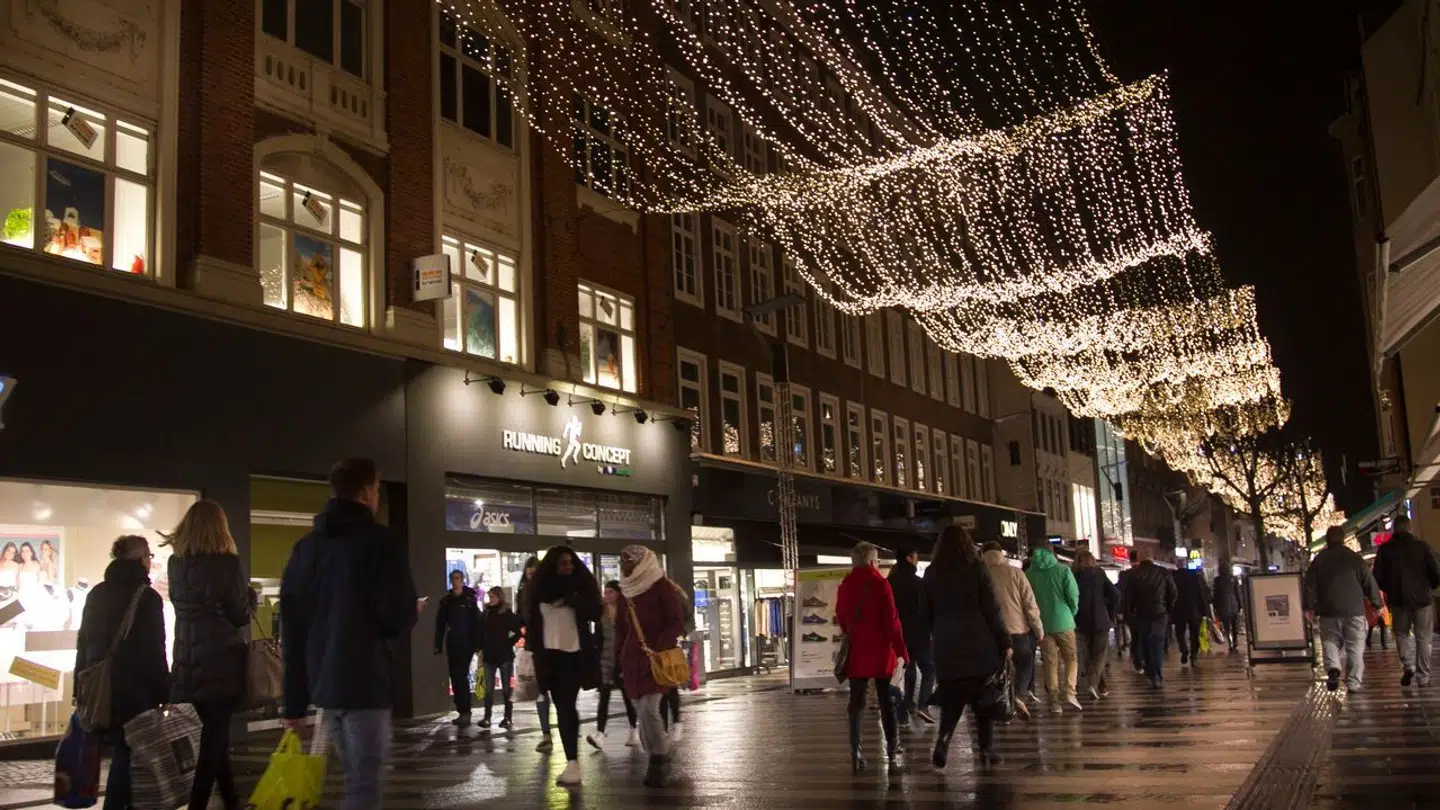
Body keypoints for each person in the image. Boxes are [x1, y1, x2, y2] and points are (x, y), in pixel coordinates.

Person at [281, 458, 418, 810]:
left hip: (326, 688)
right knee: (363, 786)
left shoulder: (305, 549)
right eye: (375, 489)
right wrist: (409, 612)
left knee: (355, 781)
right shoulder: (380, 543)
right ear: (366, 491)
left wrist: (294, 701)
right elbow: (392, 616)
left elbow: (292, 629)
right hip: (366, 682)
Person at [165, 500, 252, 810]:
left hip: (187, 663)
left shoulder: (175, 563)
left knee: (217, 738)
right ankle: (198, 805)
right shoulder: (226, 564)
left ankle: (232, 801)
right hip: (221, 663)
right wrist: (250, 599)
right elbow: (239, 616)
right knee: (213, 742)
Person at [75, 536, 168, 810]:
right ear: (141, 560)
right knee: (129, 755)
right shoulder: (147, 598)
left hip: (100, 688)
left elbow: (83, 643)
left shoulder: (97, 593)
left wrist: (79, 687)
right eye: (149, 556)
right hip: (134, 690)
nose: (150, 561)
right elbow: (155, 649)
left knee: (122, 751)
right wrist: (163, 691)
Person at [923, 528, 1011, 770]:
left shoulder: (932, 573)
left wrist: (938, 634)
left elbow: (926, 612)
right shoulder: (977, 569)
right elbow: (991, 609)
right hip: (979, 642)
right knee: (984, 698)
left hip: (946, 645)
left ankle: (942, 742)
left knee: (952, 698)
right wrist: (1004, 641)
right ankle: (987, 749)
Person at [525, 546, 602, 787]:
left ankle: (572, 763)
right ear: (552, 566)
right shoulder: (537, 591)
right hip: (548, 657)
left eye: (570, 563)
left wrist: (571, 600)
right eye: (562, 563)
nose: (568, 567)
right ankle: (571, 762)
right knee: (561, 707)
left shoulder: (581, 588)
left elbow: (595, 612)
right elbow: (528, 621)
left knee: (567, 707)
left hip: (574, 656)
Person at [615, 546, 688, 787]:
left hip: (656, 657)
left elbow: (675, 621)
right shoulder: (626, 590)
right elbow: (621, 628)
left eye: (630, 562)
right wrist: (618, 656)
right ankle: (656, 752)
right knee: (639, 708)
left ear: (642, 563)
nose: (626, 566)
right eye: (623, 562)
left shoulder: (661, 587)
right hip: (632, 659)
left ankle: (658, 757)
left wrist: (659, 647)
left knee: (649, 708)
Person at [835, 541, 908, 773]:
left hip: (857, 651)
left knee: (856, 703)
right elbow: (892, 621)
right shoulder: (880, 584)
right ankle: (892, 747)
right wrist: (901, 650)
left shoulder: (845, 585)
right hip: (880, 651)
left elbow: (841, 617)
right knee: (886, 701)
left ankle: (856, 751)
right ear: (873, 561)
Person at [1305, 526, 1383, 692]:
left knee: (1329, 641)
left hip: (1328, 610)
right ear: (1343, 539)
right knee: (1355, 647)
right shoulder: (1355, 559)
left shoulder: (1319, 560)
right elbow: (1369, 581)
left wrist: (1308, 607)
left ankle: (1333, 667)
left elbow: (1309, 585)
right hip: (1354, 610)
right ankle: (1353, 683)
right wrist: (1377, 604)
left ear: (1326, 540)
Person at [1373, 515, 1440, 687]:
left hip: (1398, 599)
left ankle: (1408, 665)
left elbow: (1377, 577)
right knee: (1423, 637)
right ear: (1410, 528)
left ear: (1394, 529)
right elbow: (1435, 571)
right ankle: (1423, 676)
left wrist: (1389, 589)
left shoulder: (1385, 550)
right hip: (1422, 599)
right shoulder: (1422, 547)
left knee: (1402, 634)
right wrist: (1429, 587)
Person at [980, 540, 1043, 716]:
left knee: (996, 672)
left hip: (991, 634)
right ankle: (1019, 694)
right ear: (1002, 553)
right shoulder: (1016, 573)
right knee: (1025, 661)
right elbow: (1029, 603)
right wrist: (1038, 629)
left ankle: (999, 704)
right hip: (1018, 631)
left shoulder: (981, 575)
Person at [1025, 546, 1081, 712]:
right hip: (1064, 621)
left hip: (1042, 624)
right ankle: (1070, 692)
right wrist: (1072, 611)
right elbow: (1073, 595)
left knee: (1050, 662)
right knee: (1071, 658)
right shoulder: (1063, 570)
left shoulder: (1029, 574)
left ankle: (1055, 701)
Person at [588, 580, 640, 750]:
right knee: (604, 697)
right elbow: (598, 636)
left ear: (618, 593)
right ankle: (600, 734)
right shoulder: (601, 614)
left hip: (622, 659)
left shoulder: (626, 612)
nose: (607, 595)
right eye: (605, 592)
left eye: (610, 592)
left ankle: (634, 729)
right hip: (605, 659)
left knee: (627, 696)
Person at [887, 545, 935, 725]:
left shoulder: (889, 583)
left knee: (904, 672)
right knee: (929, 670)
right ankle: (923, 705)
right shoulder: (919, 583)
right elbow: (927, 609)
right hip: (919, 635)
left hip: (897, 636)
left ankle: (903, 714)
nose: (917, 559)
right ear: (908, 558)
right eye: (915, 556)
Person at [1119, 547, 1177, 688]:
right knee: (1157, 643)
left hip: (1141, 613)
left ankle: (1150, 672)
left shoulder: (1133, 575)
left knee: (1144, 642)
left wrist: (1128, 613)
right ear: (1152, 559)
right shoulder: (1163, 572)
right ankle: (1157, 674)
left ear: (1140, 560)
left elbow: (1128, 597)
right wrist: (1168, 609)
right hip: (1160, 612)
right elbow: (1173, 592)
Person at [434, 569, 482, 727]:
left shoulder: (469, 600)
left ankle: (466, 711)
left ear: (462, 580)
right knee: (455, 677)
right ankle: (462, 710)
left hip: (466, 643)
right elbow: (440, 624)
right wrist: (438, 645)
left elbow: (476, 622)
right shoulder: (447, 601)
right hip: (453, 642)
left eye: (457, 578)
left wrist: (477, 644)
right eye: (452, 578)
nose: (455, 581)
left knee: (461, 676)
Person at [515, 555, 554, 749]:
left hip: (551, 643)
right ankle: (546, 733)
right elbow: (519, 618)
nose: (531, 575)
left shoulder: (547, 591)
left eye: (534, 572)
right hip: (534, 645)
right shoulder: (523, 593)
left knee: (551, 689)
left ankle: (552, 731)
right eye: (529, 572)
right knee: (540, 690)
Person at [1072, 550, 1118, 700]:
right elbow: (1115, 595)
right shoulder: (1099, 574)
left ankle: (1102, 685)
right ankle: (1092, 684)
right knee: (1100, 655)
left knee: (1088, 655)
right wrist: (1110, 611)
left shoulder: (1073, 575)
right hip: (1100, 620)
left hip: (1080, 620)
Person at [478, 586, 522, 729]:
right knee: (488, 688)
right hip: (489, 655)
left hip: (504, 655)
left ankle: (507, 717)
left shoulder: (507, 614)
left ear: (500, 597)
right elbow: (482, 633)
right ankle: (487, 717)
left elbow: (519, 630)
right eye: (489, 596)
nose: (490, 599)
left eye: (493, 596)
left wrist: (509, 642)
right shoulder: (486, 614)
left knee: (506, 689)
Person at [1171, 563, 1212, 668]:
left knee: (1180, 632)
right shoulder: (1196, 578)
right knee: (1195, 634)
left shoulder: (1174, 578)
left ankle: (1184, 649)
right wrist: (1205, 612)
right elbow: (1203, 595)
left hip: (1179, 610)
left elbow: (1170, 595)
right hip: (1195, 611)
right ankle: (1193, 656)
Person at [1211, 564, 1243, 651]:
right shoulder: (1234, 579)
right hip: (1234, 606)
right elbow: (1238, 593)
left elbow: (1216, 594)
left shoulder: (1217, 580)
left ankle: (1230, 642)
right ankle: (1235, 641)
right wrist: (1240, 605)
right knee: (1234, 625)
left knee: (1227, 626)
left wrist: (1215, 606)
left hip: (1222, 606)